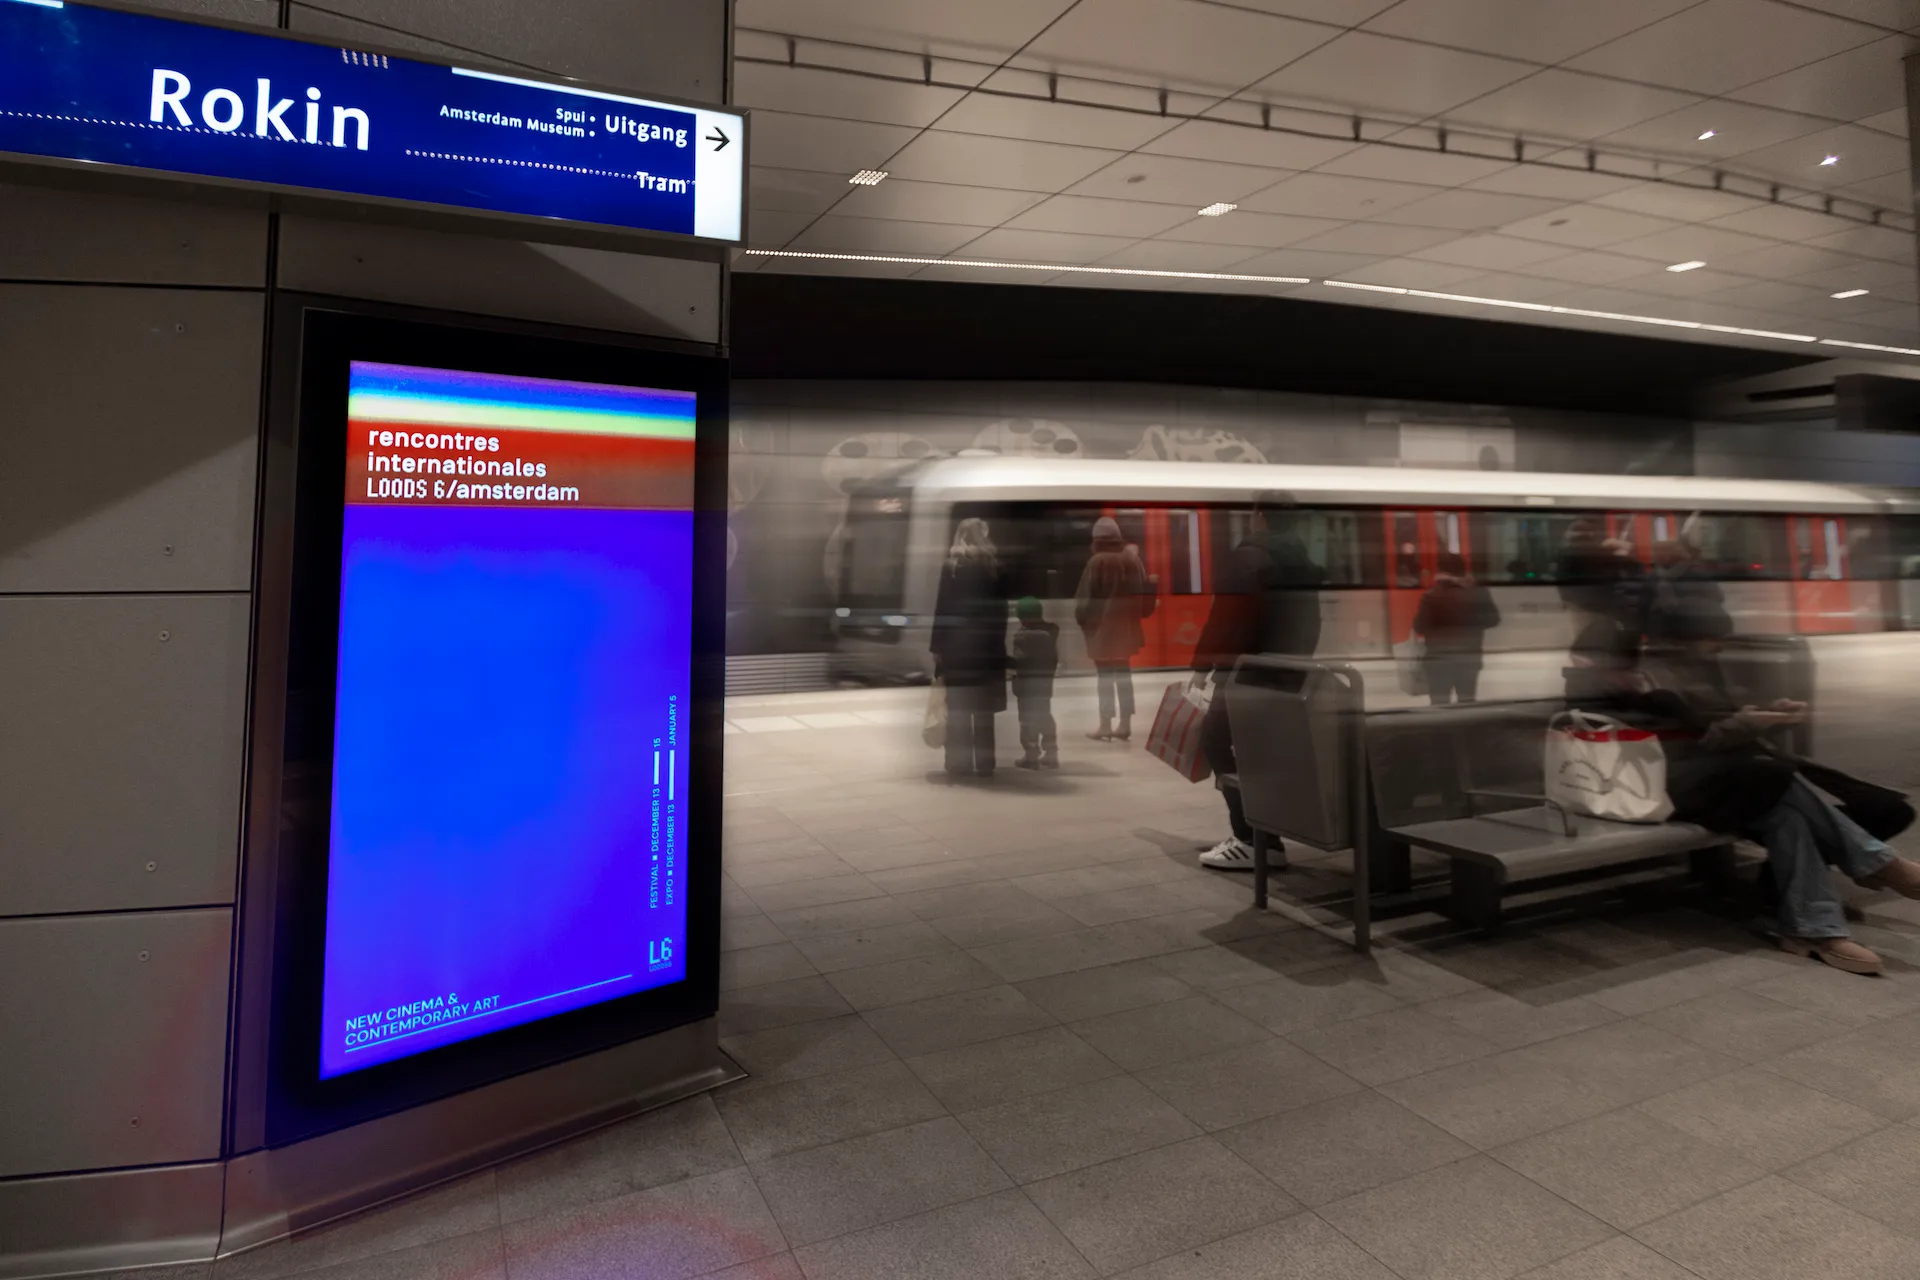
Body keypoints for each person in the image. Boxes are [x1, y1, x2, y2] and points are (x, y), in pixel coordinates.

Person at [1599, 598, 1920, 976]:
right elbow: (1692, 744)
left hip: (1726, 778)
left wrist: (1762, 715)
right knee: (1776, 783)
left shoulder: (1693, 671)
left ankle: (1814, 928)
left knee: (1785, 811)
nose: (1719, 645)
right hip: (1677, 788)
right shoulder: (1646, 686)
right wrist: (1753, 723)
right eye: (1712, 638)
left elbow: (1715, 726)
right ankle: (1873, 867)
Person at [1190, 494, 1324, 870]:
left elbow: (1225, 617)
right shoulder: (1302, 560)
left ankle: (1250, 838)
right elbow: (1311, 623)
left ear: (1260, 516)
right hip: (1285, 674)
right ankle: (1267, 838)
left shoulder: (1250, 556)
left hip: (1245, 674)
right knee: (1260, 753)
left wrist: (1202, 665)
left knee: (1214, 741)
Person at [929, 517, 1007, 778]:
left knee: (959, 707)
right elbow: (1001, 614)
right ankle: (985, 764)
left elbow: (942, 609)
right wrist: (998, 649)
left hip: (957, 649)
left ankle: (958, 763)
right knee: (983, 709)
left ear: (960, 536)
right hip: (986, 649)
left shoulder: (952, 567)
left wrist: (937, 647)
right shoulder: (994, 567)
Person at [1074, 517, 1150, 741]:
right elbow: (1143, 595)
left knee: (1105, 677)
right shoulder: (1132, 561)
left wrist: (1083, 622)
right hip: (1126, 631)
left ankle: (1105, 724)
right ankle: (1125, 723)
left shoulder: (1097, 562)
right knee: (1124, 675)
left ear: (1097, 539)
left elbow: (1084, 601)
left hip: (1102, 632)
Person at [1413, 552, 1500, 705]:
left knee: (1439, 704)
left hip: (1438, 660)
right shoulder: (1479, 593)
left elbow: (1419, 626)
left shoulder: (1431, 596)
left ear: (1440, 571)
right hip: (1468, 658)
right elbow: (1493, 619)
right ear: (1463, 571)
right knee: (1466, 703)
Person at [1010, 596, 1060, 770]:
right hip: (1045, 683)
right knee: (1044, 715)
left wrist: (1005, 662)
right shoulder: (1051, 633)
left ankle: (1031, 755)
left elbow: (1020, 661)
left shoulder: (1022, 637)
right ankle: (1051, 752)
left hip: (1026, 686)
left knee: (1026, 720)